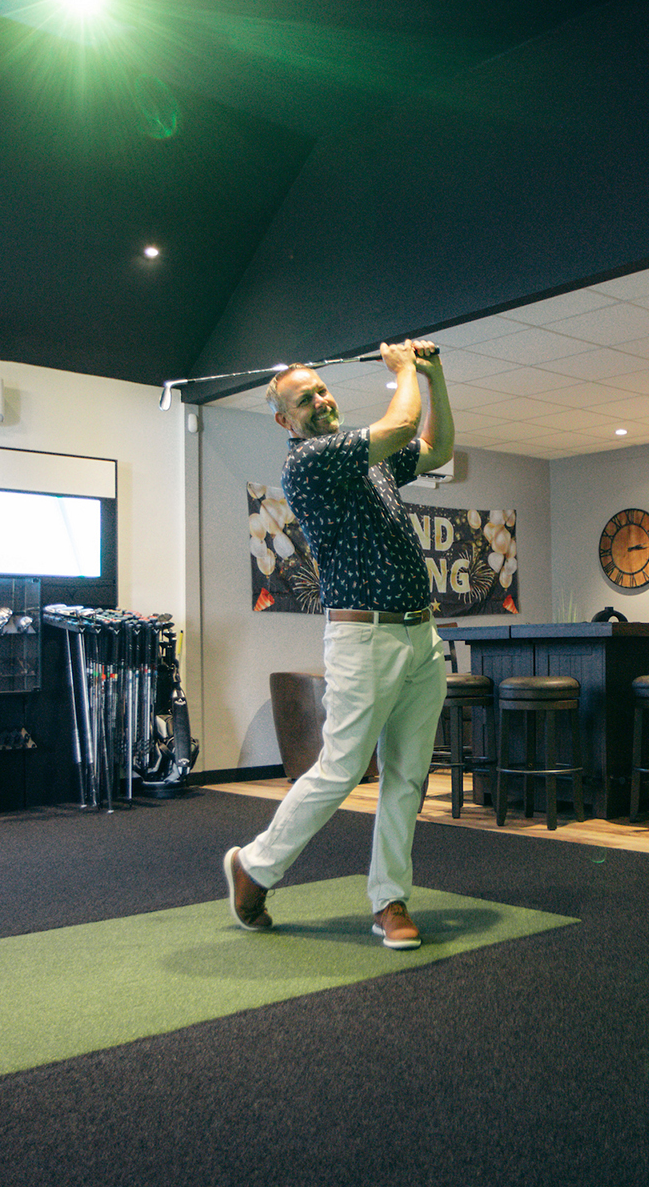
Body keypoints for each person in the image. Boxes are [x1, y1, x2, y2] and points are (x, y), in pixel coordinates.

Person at [224, 338, 453, 950]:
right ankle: (255, 865)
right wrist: (403, 371)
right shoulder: (309, 461)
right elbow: (400, 424)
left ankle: (390, 900)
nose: (321, 401)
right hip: (362, 636)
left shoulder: (367, 460)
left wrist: (433, 377)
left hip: (420, 633)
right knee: (342, 769)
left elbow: (436, 449)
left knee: (408, 776)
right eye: (305, 399)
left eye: (322, 390)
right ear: (286, 421)